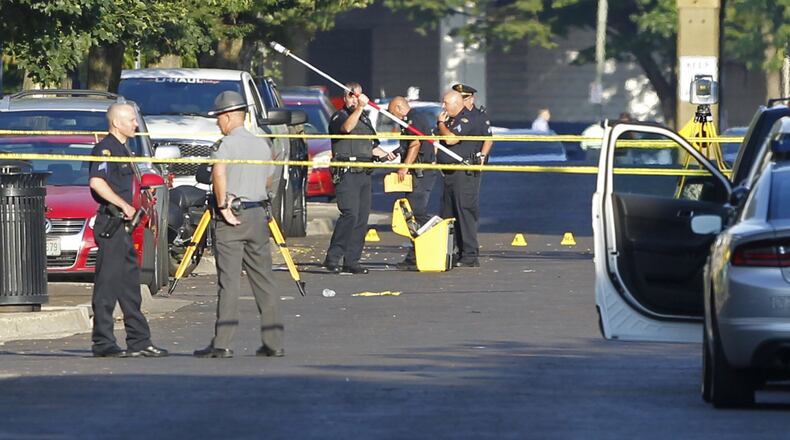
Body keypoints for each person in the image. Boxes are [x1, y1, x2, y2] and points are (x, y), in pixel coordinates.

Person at [193, 91, 284, 358]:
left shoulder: (226, 145)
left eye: (219, 117)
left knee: (229, 282)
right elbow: (268, 181)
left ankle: (222, 343)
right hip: (257, 215)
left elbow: (218, 173)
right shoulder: (262, 144)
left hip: (232, 215)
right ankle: (274, 342)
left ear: (230, 116)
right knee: (264, 280)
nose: (217, 123)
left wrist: (222, 206)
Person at [88, 103, 168, 358]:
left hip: (125, 227)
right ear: (116, 123)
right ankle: (103, 343)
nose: (136, 124)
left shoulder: (125, 150)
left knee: (130, 287)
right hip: (111, 224)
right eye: (131, 120)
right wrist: (122, 204)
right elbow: (97, 182)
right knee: (107, 287)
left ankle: (139, 341)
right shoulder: (106, 149)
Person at [323, 82, 394, 275]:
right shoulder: (340, 116)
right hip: (347, 171)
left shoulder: (364, 119)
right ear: (345, 97)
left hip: (364, 171)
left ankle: (352, 260)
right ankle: (333, 256)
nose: (355, 99)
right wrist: (361, 107)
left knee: (362, 219)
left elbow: (372, 145)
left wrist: (385, 155)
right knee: (349, 214)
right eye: (352, 96)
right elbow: (346, 129)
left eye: (358, 96)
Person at [436, 90, 492, 267]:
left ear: (457, 103)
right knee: (448, 213)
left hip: (464, 172)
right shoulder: (451, 120)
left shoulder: (469, 118)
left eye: (446, 103)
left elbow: (451, 140)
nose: (443, 107)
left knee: (464, 211)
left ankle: (469, 254)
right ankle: (452, 252)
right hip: (450, 172)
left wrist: (440, 124)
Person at [387, 96, 439, 270]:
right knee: (410, 214)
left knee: (416, 213)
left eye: (393, 113)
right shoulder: (412, 119)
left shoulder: (414, 118)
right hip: (417, 173)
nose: (393, 117)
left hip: (421, 173)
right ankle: (414, 255)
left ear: (400, 107)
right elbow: (410, 143)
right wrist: (397, 151)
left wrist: (404, 167)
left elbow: (416, 144)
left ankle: (434, 240)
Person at [453, 83, 494, 161]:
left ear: (471, 99)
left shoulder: (479, 116)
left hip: (471, 160)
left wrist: (482, 158)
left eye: (464, 99)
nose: (461, 103)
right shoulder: (451, 116)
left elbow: (488, 140)